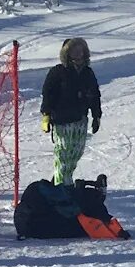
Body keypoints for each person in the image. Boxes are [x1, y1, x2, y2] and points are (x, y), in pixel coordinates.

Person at [40, 37, 101, 185]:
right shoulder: (58, 72)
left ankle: (63, 179)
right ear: (66, 53)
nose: (78, 54)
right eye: (74, 50)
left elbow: (94, 94)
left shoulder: (88, 73)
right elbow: (48, 93)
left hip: (80, 119)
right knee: (63, 154)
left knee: (76, 153)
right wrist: (46, 115)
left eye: (81, 50)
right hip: (62, 120)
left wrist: (96, 116)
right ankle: (62, 186)